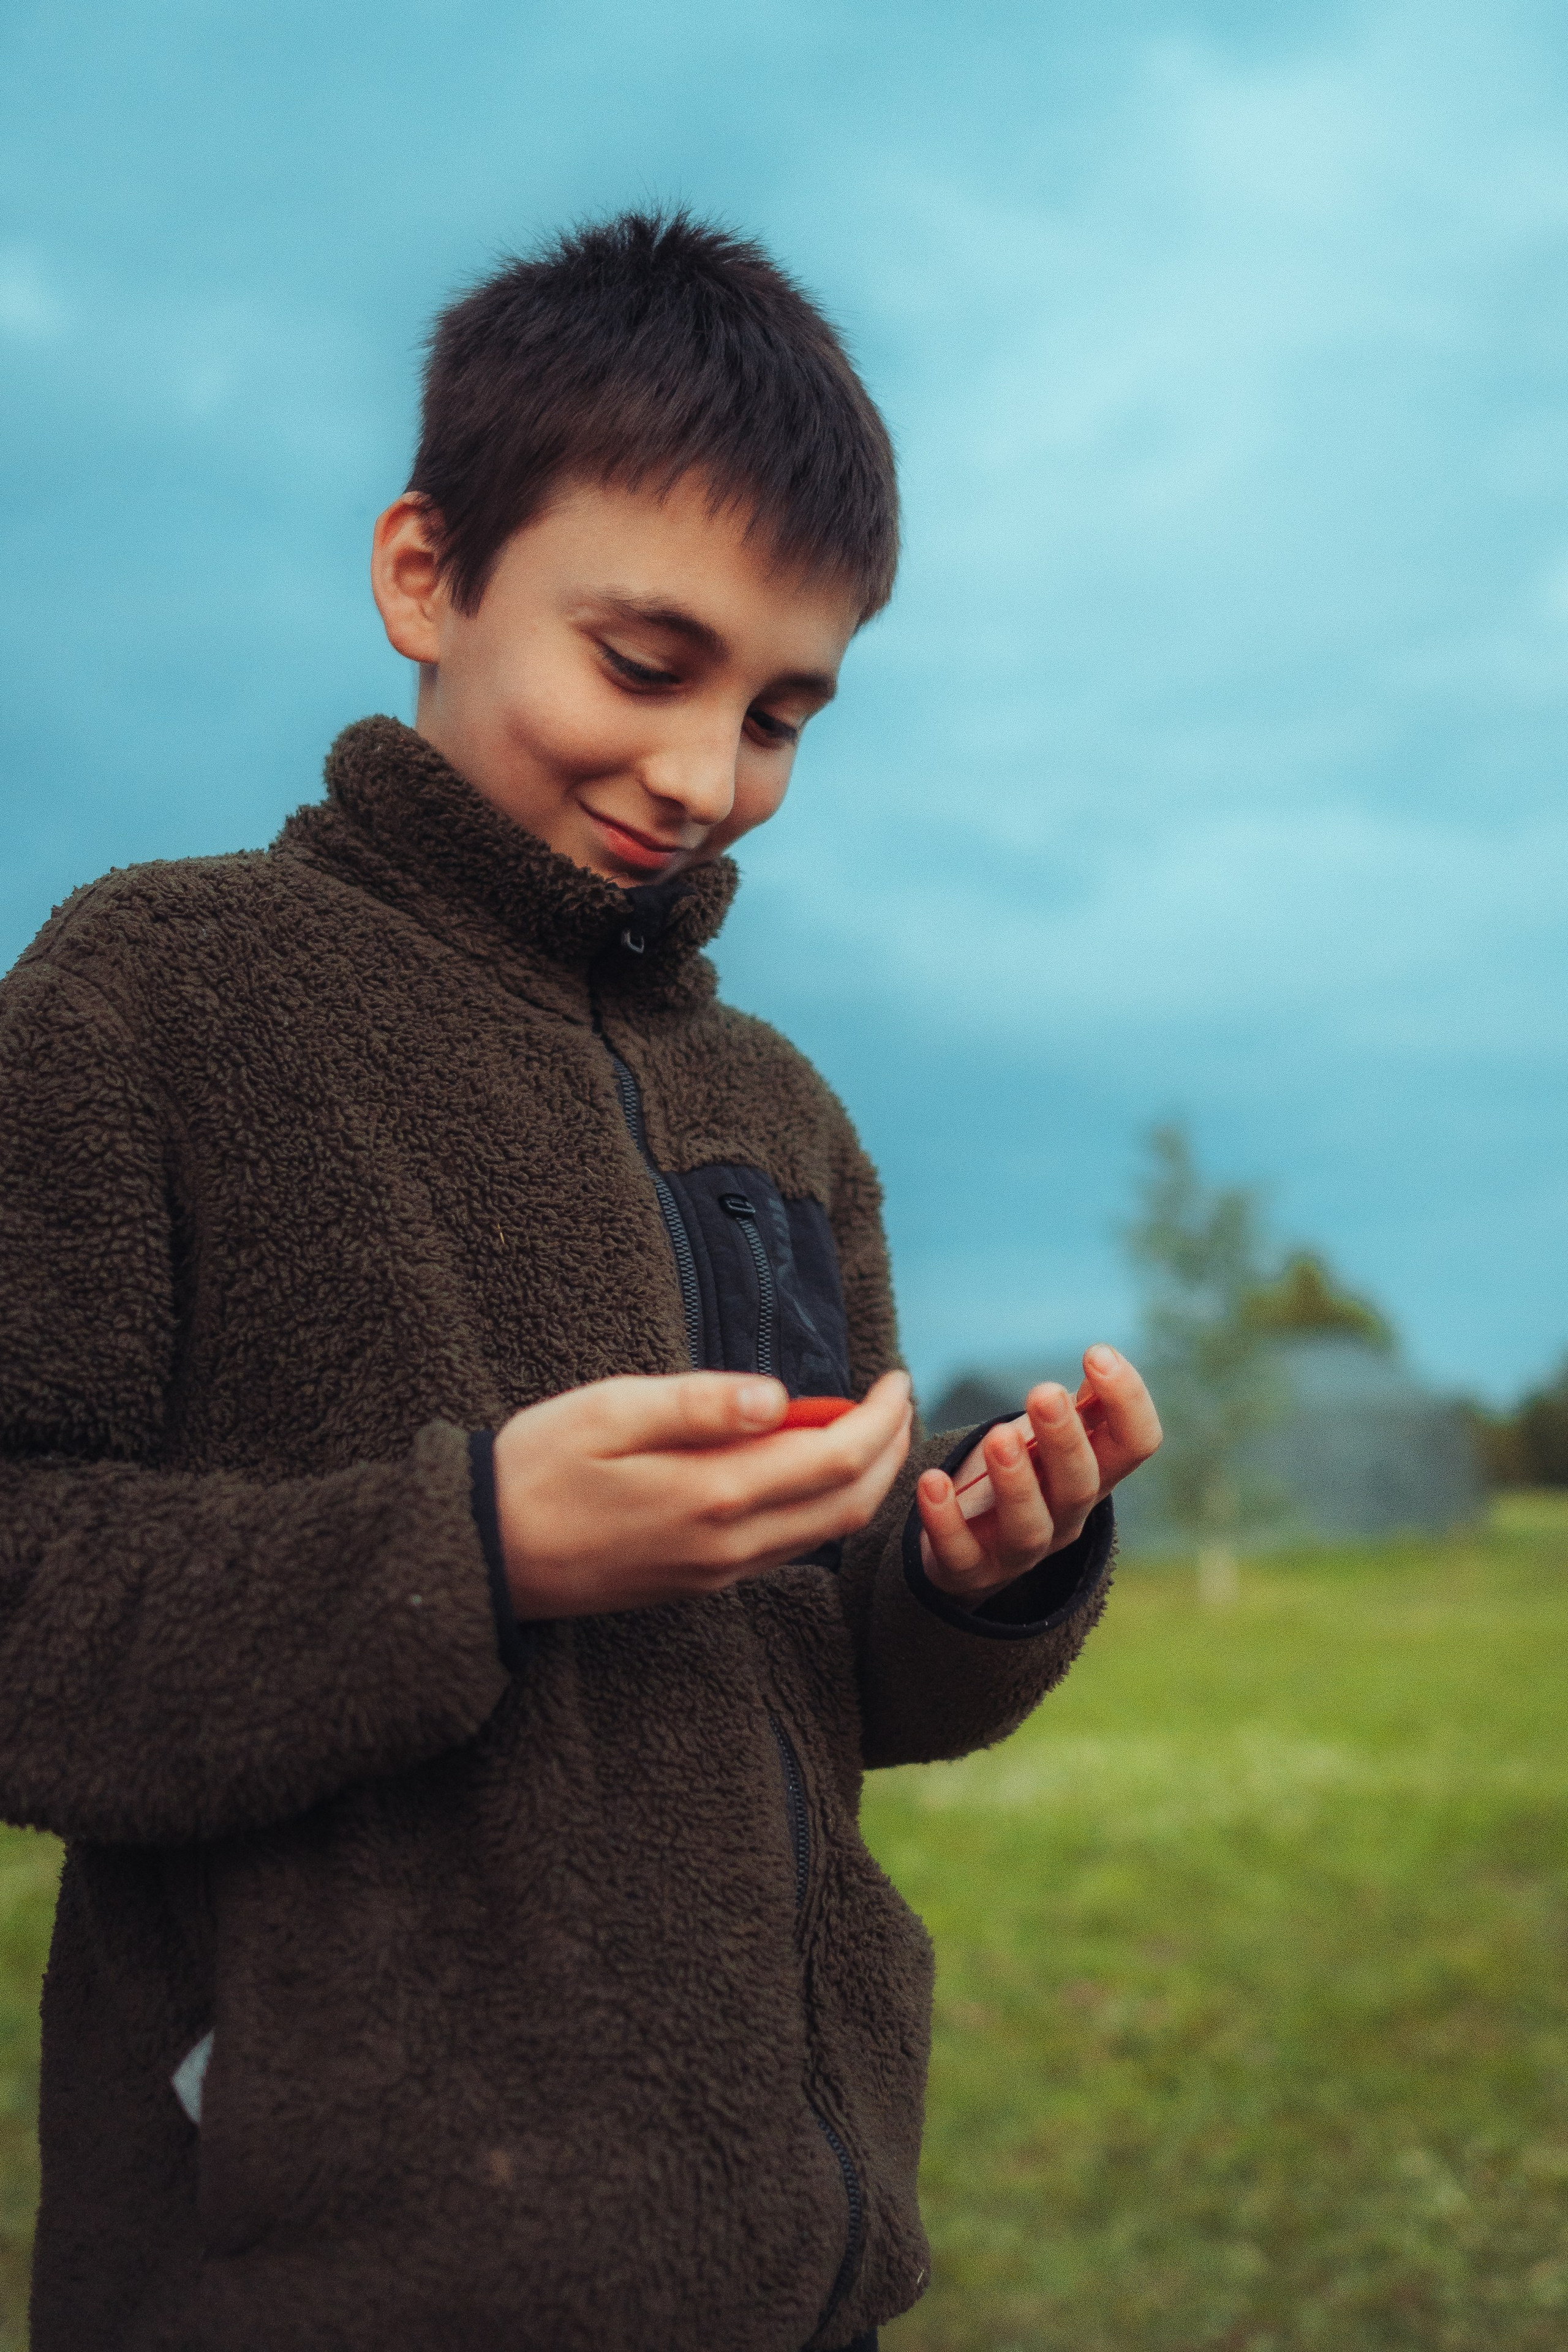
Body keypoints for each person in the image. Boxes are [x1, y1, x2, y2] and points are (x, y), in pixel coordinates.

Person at [0, 211, 1161, 2352]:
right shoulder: (150, 994)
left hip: (782, 2277)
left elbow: (846, 1693)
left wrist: (974, 1577)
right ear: (425, 573)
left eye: (786, 714)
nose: (707, 780)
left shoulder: (777, 1110)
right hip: (317, 2282)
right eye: (647, 665)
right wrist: (478, 1548)